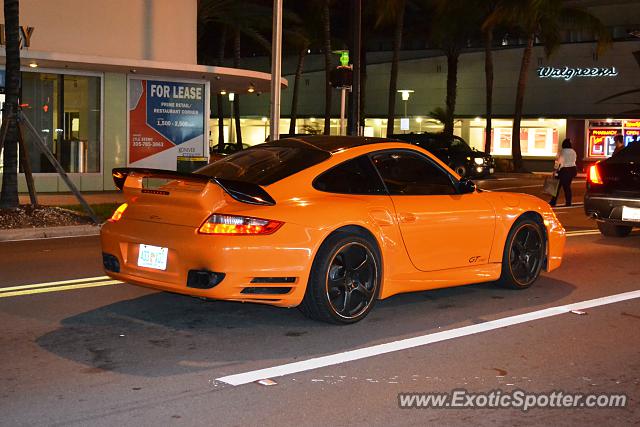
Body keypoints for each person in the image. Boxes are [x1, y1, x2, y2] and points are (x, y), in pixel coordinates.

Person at [550, 138, 578, 207]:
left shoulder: (562, 152)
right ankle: (568, 202)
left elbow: (558, 162)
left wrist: (555, 170)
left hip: (563, 170)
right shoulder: (573, 152)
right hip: (572, 169)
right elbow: (574, 160)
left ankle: (553, 202)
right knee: (567, 187)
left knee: (557, 187)